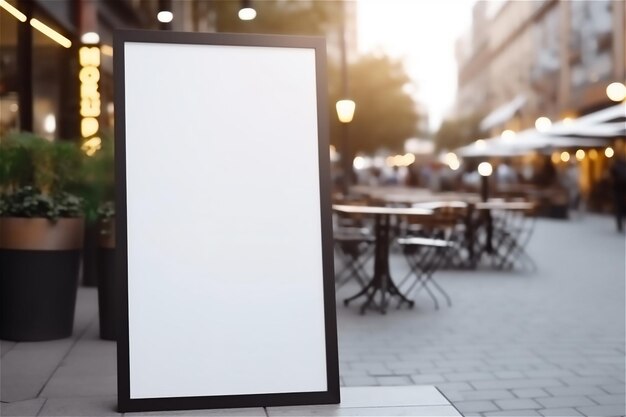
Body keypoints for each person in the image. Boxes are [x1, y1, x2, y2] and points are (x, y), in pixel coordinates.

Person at [609, 151, 626, 232]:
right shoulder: (616, 166)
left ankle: (621, 223)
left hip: (622, 190)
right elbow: (612, 177)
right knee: (619, 208)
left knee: (622, 208)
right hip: (618, 190)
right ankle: (619, 225)